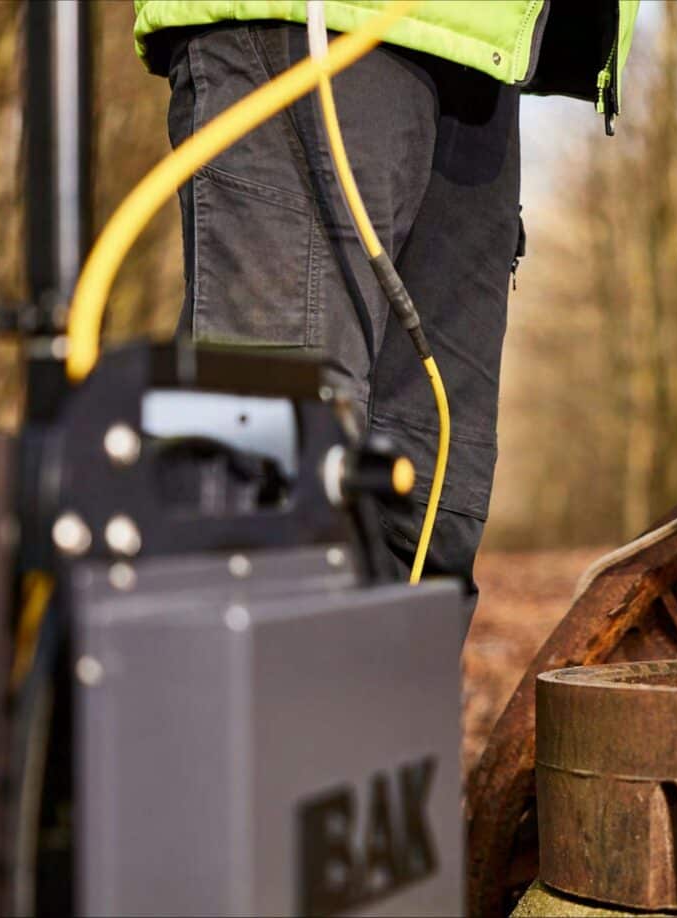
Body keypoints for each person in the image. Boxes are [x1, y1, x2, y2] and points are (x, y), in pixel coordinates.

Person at [133, 1, 639, 621]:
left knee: (432, 510)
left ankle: (388, 715)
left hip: (486, 51)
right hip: (311, 21)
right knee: (273, 487)